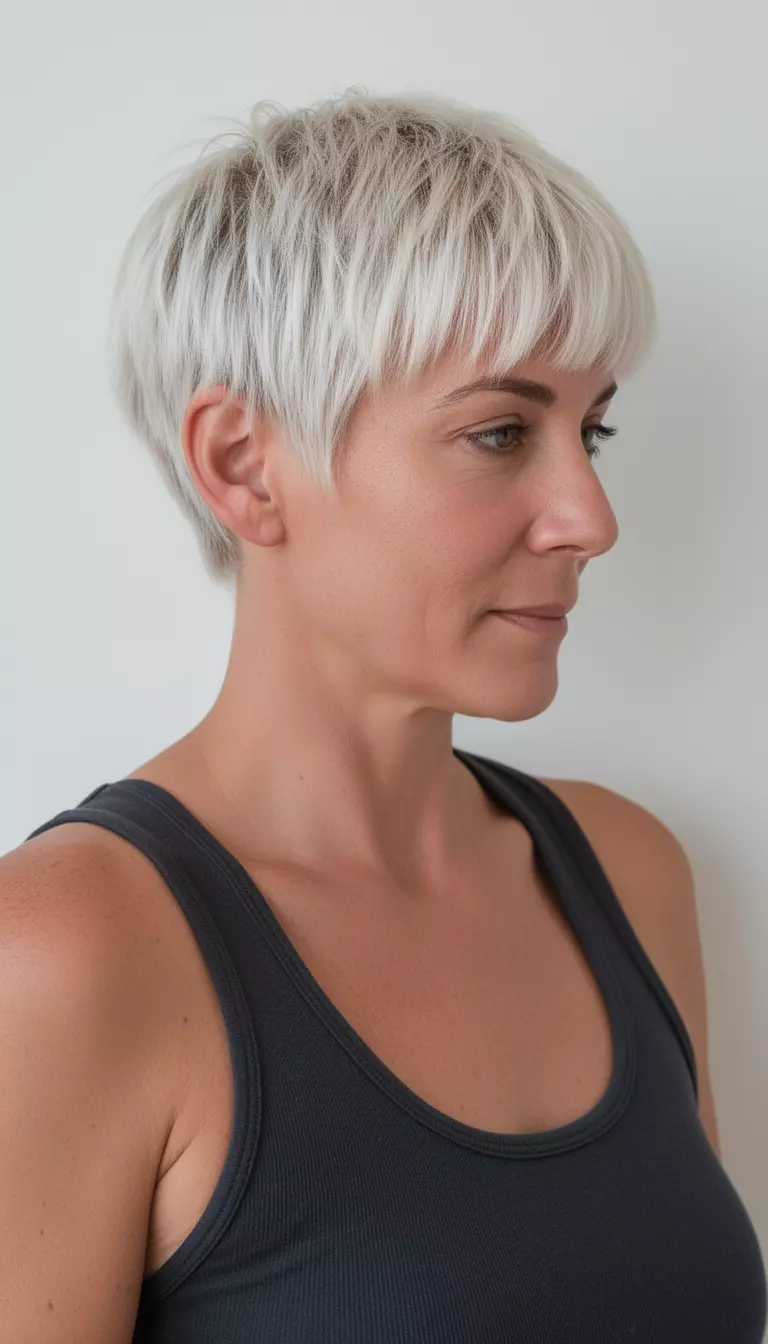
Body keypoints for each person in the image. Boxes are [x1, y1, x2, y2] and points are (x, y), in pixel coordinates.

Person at [5, 87, 766, 1342]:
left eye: (596, 428)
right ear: (245, 465)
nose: (592, 515)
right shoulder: (66, 958)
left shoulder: (630, 874)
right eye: (501, 431)